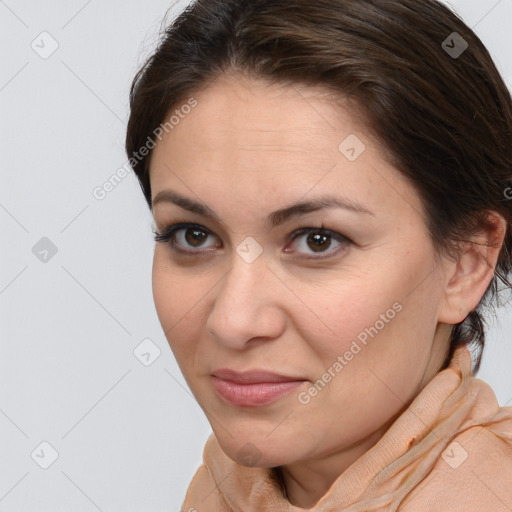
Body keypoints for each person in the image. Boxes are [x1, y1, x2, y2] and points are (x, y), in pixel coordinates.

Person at [125, 0, 512, 509]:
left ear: (465, 264)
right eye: (193, 235)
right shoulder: (219, 494)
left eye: (317, 240)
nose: (233, 321)